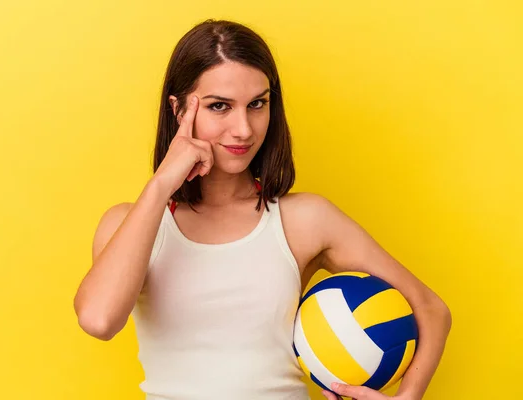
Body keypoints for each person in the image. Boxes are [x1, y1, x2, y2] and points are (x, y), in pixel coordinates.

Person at [73, 19, 452, 400]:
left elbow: (431, 308)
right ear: (178, 109)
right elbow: (99, 319)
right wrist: (161, 186)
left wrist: (409, 396)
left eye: (257, 104)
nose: (243, 129)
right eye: (219, 106)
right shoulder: (129, 223)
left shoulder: (304, 221)